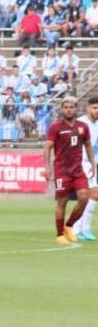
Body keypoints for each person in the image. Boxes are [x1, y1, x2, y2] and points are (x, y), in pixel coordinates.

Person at [45, 97, 94, 245]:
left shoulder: (83, 126)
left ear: (76, 108)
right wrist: (47, 168)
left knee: (84, 197)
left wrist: (93, 163)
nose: (68, 110)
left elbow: (88, 145)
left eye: (71, 107)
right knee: (62, 202)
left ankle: (69, 226)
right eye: (66, 107)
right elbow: (48, 147)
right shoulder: (56, 126)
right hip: (62, 171)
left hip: (78, 170)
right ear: (62, 109)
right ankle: (59, 234)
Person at [72, 98, 98, 241]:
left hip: (92, 163)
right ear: (88, 108)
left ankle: (78, 228)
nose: (97, 111)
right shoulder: (81, 124)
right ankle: (83, 228)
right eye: (94, 107)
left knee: (89, 196)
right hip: (81, 162)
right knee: (93, 194)